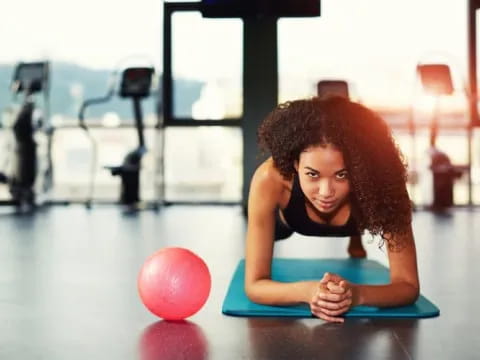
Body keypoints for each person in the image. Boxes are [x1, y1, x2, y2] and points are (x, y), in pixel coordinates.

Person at [244, 96, 419, 323]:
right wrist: (308, 292)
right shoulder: (271, 179)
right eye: (312, 174)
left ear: (358, 168)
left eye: (342, 174)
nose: (326, 192)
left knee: (365, 210)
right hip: (288, 221)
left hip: (358, 214)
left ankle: (355, 236)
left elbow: (408, 286)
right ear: (295, 164)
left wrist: (357, 295)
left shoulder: (383, 185)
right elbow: (255, 285)